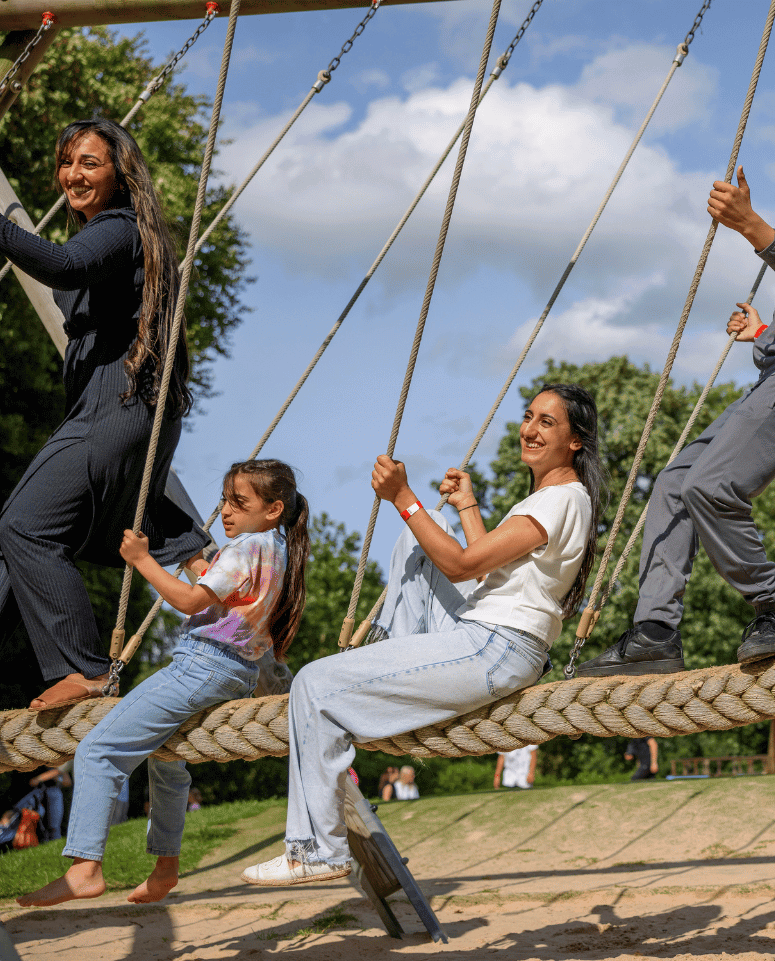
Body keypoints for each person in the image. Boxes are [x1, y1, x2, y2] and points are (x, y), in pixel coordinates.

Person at [241, 384, 605, 886]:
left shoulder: (560, 499)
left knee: (314, 684)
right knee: (426, 529)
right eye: (528, 417)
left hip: (497, 645)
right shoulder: (549, 499)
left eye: (547, 422)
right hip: (489, 634)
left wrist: (402, 497)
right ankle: (386, 664)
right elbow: (485, 576)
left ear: (576, 441)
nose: (530, 429)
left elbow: (458, 566)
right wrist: (467, 507)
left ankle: (318, 850)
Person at [577, 108, 775, 676]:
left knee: (711, 485)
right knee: (673, 483)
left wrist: (749, 223)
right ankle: (654, 629)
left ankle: (773, 611)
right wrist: (764, 334)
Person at [15, 459, 309, 907]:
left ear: (273, 509)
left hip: (202, 666)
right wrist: (194, 560)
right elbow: (222, 598)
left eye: (239, 502)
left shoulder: (244, 549)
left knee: (98, 750)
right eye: (224, 500)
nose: (226, 511)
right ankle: (166, 867)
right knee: (167, 761)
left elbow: (189, 599)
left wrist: (141, 560)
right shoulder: (279, 550)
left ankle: (84, 868)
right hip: (238, 673)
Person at [0, 118, 209, 710]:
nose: (73, 175)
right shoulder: (111, 240)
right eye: (66, 163)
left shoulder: (119, 228)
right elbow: (62, 275)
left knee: (25, 527)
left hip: (115, 406)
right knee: (16, 544)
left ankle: (83, 668)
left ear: (121, 173)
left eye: (89, 163)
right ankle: (188, 546)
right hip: (117, 408)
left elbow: (62, 267)